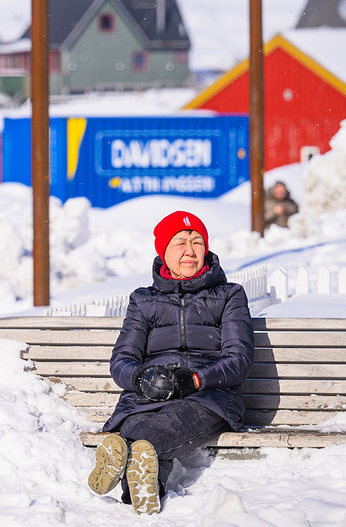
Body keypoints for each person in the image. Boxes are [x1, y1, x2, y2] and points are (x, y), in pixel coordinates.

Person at [86, 210, 254, 514]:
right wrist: (141, 378)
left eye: (197, 242)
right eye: (180, 243)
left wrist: (195, 380)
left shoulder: (229, 295)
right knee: (143, 429)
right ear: (164, 251)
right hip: (147, 398)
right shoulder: (143, 300)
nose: (190, 251)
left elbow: (238, 357)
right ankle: (147, 490)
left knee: (159, 429)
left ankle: (122, 462)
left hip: (208, 397)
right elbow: (122, 359)